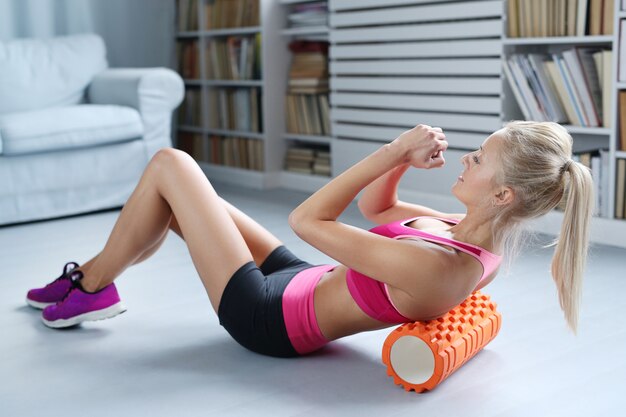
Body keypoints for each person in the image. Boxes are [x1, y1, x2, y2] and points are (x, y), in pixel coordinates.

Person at [26, 121, 593, 358]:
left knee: (171, 164)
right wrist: (401, 168)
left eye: (480, 159)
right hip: (299, 281)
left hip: (268, 319)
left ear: (504, 197)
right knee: (170, 198)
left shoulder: (442, 266)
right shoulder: (464, 230)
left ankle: (92, 283)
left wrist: (394, 150)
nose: (467, 157)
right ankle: (93, 280)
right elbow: (378, 207)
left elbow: (308, 220)